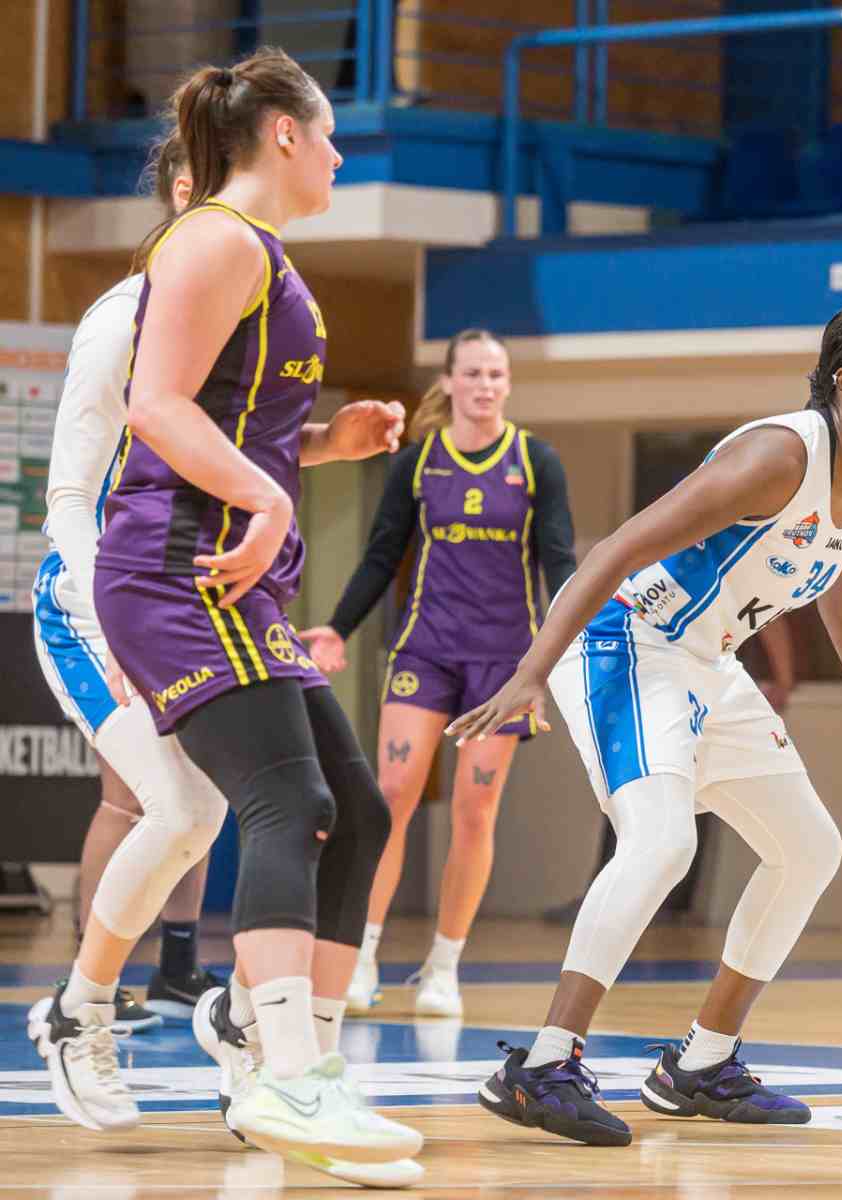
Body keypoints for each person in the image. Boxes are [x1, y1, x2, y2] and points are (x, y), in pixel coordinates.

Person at [448, 299, 842, 1146]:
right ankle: (543, 1065)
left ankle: (701, 1063)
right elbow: (615, 549)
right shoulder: (778, 456)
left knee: (810, 848)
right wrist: (531, 671)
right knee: (662, 843)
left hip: (708, 661)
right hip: (628, 641)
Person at [85, 47, 423, 1185]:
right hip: (174, 569)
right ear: (284, 134)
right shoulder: (216, 238)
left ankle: (308, 1070)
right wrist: (273, 498)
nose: (337, 157)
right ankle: (276, 1065)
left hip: (226, 571)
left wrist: (324, 447)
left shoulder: (262, 255)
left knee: (358, 814)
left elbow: (230, 422)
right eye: (329, 137)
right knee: (291, 800)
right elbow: (156, 406)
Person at [27, 136, 235, 1130]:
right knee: (175, 806)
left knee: (274, 800)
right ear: (187, 193)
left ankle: (253, 1021)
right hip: (95, 607)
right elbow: (69, 496)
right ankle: (84, 1008)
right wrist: (112, 620)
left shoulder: (244, 313)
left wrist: (327, 448)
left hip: (195, 605)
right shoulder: (124, 317)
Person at [298, 328, 577, 1017]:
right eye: (472, 373)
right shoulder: (418, 462)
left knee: (475, 810)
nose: (485, 385)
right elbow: (380, 554)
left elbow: (560, 563)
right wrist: (336, 626)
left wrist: (567, 650)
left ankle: (444, 968)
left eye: (496, 374)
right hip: (424, 651)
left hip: (504, 664)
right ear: (448, 382)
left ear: (507, 385)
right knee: (389, 794)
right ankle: (361, 956)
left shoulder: (536, 461)